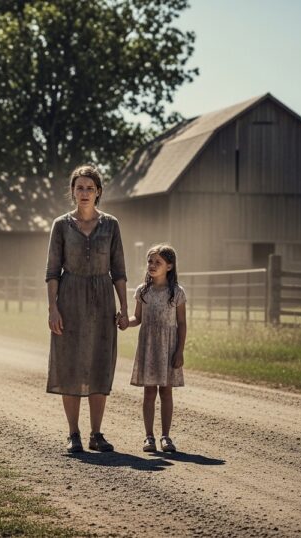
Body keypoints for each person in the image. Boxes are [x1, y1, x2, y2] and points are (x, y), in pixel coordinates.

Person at [45, 164, 128, 453]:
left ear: (98, 192)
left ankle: (96, 433)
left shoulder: (111, 225)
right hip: (70, 297)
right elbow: (52, 270)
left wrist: (125, 309)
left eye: (89, 188)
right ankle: (73, 434)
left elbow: (118, 270)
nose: (84, 192)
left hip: (103, 300)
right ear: (72, 192)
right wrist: (52, 309)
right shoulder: (61, 225)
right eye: (79, 187)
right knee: (70, 365)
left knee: (99, 364)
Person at [125, 244, 187, 453]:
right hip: (149, 346)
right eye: (150, 261)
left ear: (169, 266)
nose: (152, 265)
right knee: (149, 392)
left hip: (168, 347)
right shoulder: (143, 291)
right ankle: (149, 437)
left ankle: (166, 437)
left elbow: (182, 323)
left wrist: (179, 351)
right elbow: (138, 318)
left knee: (166, 392)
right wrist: (126, 322)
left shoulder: (176, 293)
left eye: (158, 262)